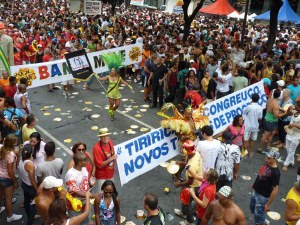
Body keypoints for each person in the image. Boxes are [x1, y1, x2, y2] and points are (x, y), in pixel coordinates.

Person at [65, 152, 99, 225]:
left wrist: (90, 182)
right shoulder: (70, 174)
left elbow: (84, 182)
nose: (87, 161)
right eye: (85, 160)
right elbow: (75, 191)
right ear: (80, 162)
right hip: (75, 205)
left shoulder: (84, 169)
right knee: (76, 222)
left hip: (85, 202)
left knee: (86, 222)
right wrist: (92, 195)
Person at [173, 140, 202, 225]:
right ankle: (184, 213)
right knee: (184, 201)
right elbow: (188, 163)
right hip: (195, 183)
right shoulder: (196, 154)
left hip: (193, 186)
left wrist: (179, 184)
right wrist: (182, 163)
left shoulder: (191, 166)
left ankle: (190, 221)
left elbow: (189, 181)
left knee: (187, 204)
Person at [250, 149, 280, 225]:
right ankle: (261, 219)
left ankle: (261, 222)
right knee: (252, 208)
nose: (266, 158)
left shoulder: (276, 173)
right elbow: (260, 174)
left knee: (258, 213)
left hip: (263, 196)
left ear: (275, 159)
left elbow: (275, 189)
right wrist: (254, 185)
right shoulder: (266, 163)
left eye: (269, 157)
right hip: (255, 190)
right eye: (266, 156)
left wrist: (268, 204)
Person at [0, 134, 22, 222]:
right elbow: (10, 171)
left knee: (0, 193)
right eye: (15, 142)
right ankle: (10, 216)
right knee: (8, 199)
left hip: (0, 175)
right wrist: (15, 181)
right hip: (6, 178)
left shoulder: (2, 149)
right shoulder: (11, 155)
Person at [18, 144, 38, 225]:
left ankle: (29, 215)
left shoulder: (20, 160)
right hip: (31, 187)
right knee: (34, 205)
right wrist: (37, 189)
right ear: (31, 153)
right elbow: (32, 179)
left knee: (26, 202)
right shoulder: (30, 164)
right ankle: (30, 220)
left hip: (24, 184)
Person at [93, 128, 116, 194]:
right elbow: (99, 165)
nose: (105, 137)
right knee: (100, 195)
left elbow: (114, 153)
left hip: (110, 174)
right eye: (103, 136)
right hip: (101, 176)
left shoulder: (110, 143)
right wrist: (111, 159)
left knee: (110, 192)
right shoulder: (96, 148)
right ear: (100, 137)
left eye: (107, 135)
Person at [282, 96, 300, 172]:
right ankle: (291, 162)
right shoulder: (294, 112)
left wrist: (295, 125)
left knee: (292, 150)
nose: (295, 106)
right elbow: (288, 114)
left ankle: (286, 164)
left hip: (296, 136)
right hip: (289, 133)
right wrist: (289, 109)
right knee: (287, 148)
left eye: (296, 106)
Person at [243, 93, 263, 157]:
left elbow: (244, 113)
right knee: (253, 139)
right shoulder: (260, 108)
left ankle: (246, 153)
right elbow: (260, 118)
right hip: (255, 126)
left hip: (247, 125)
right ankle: (251, 152)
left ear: (252, 99)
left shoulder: (249, 106)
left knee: (246, 139)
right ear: (258, 99)